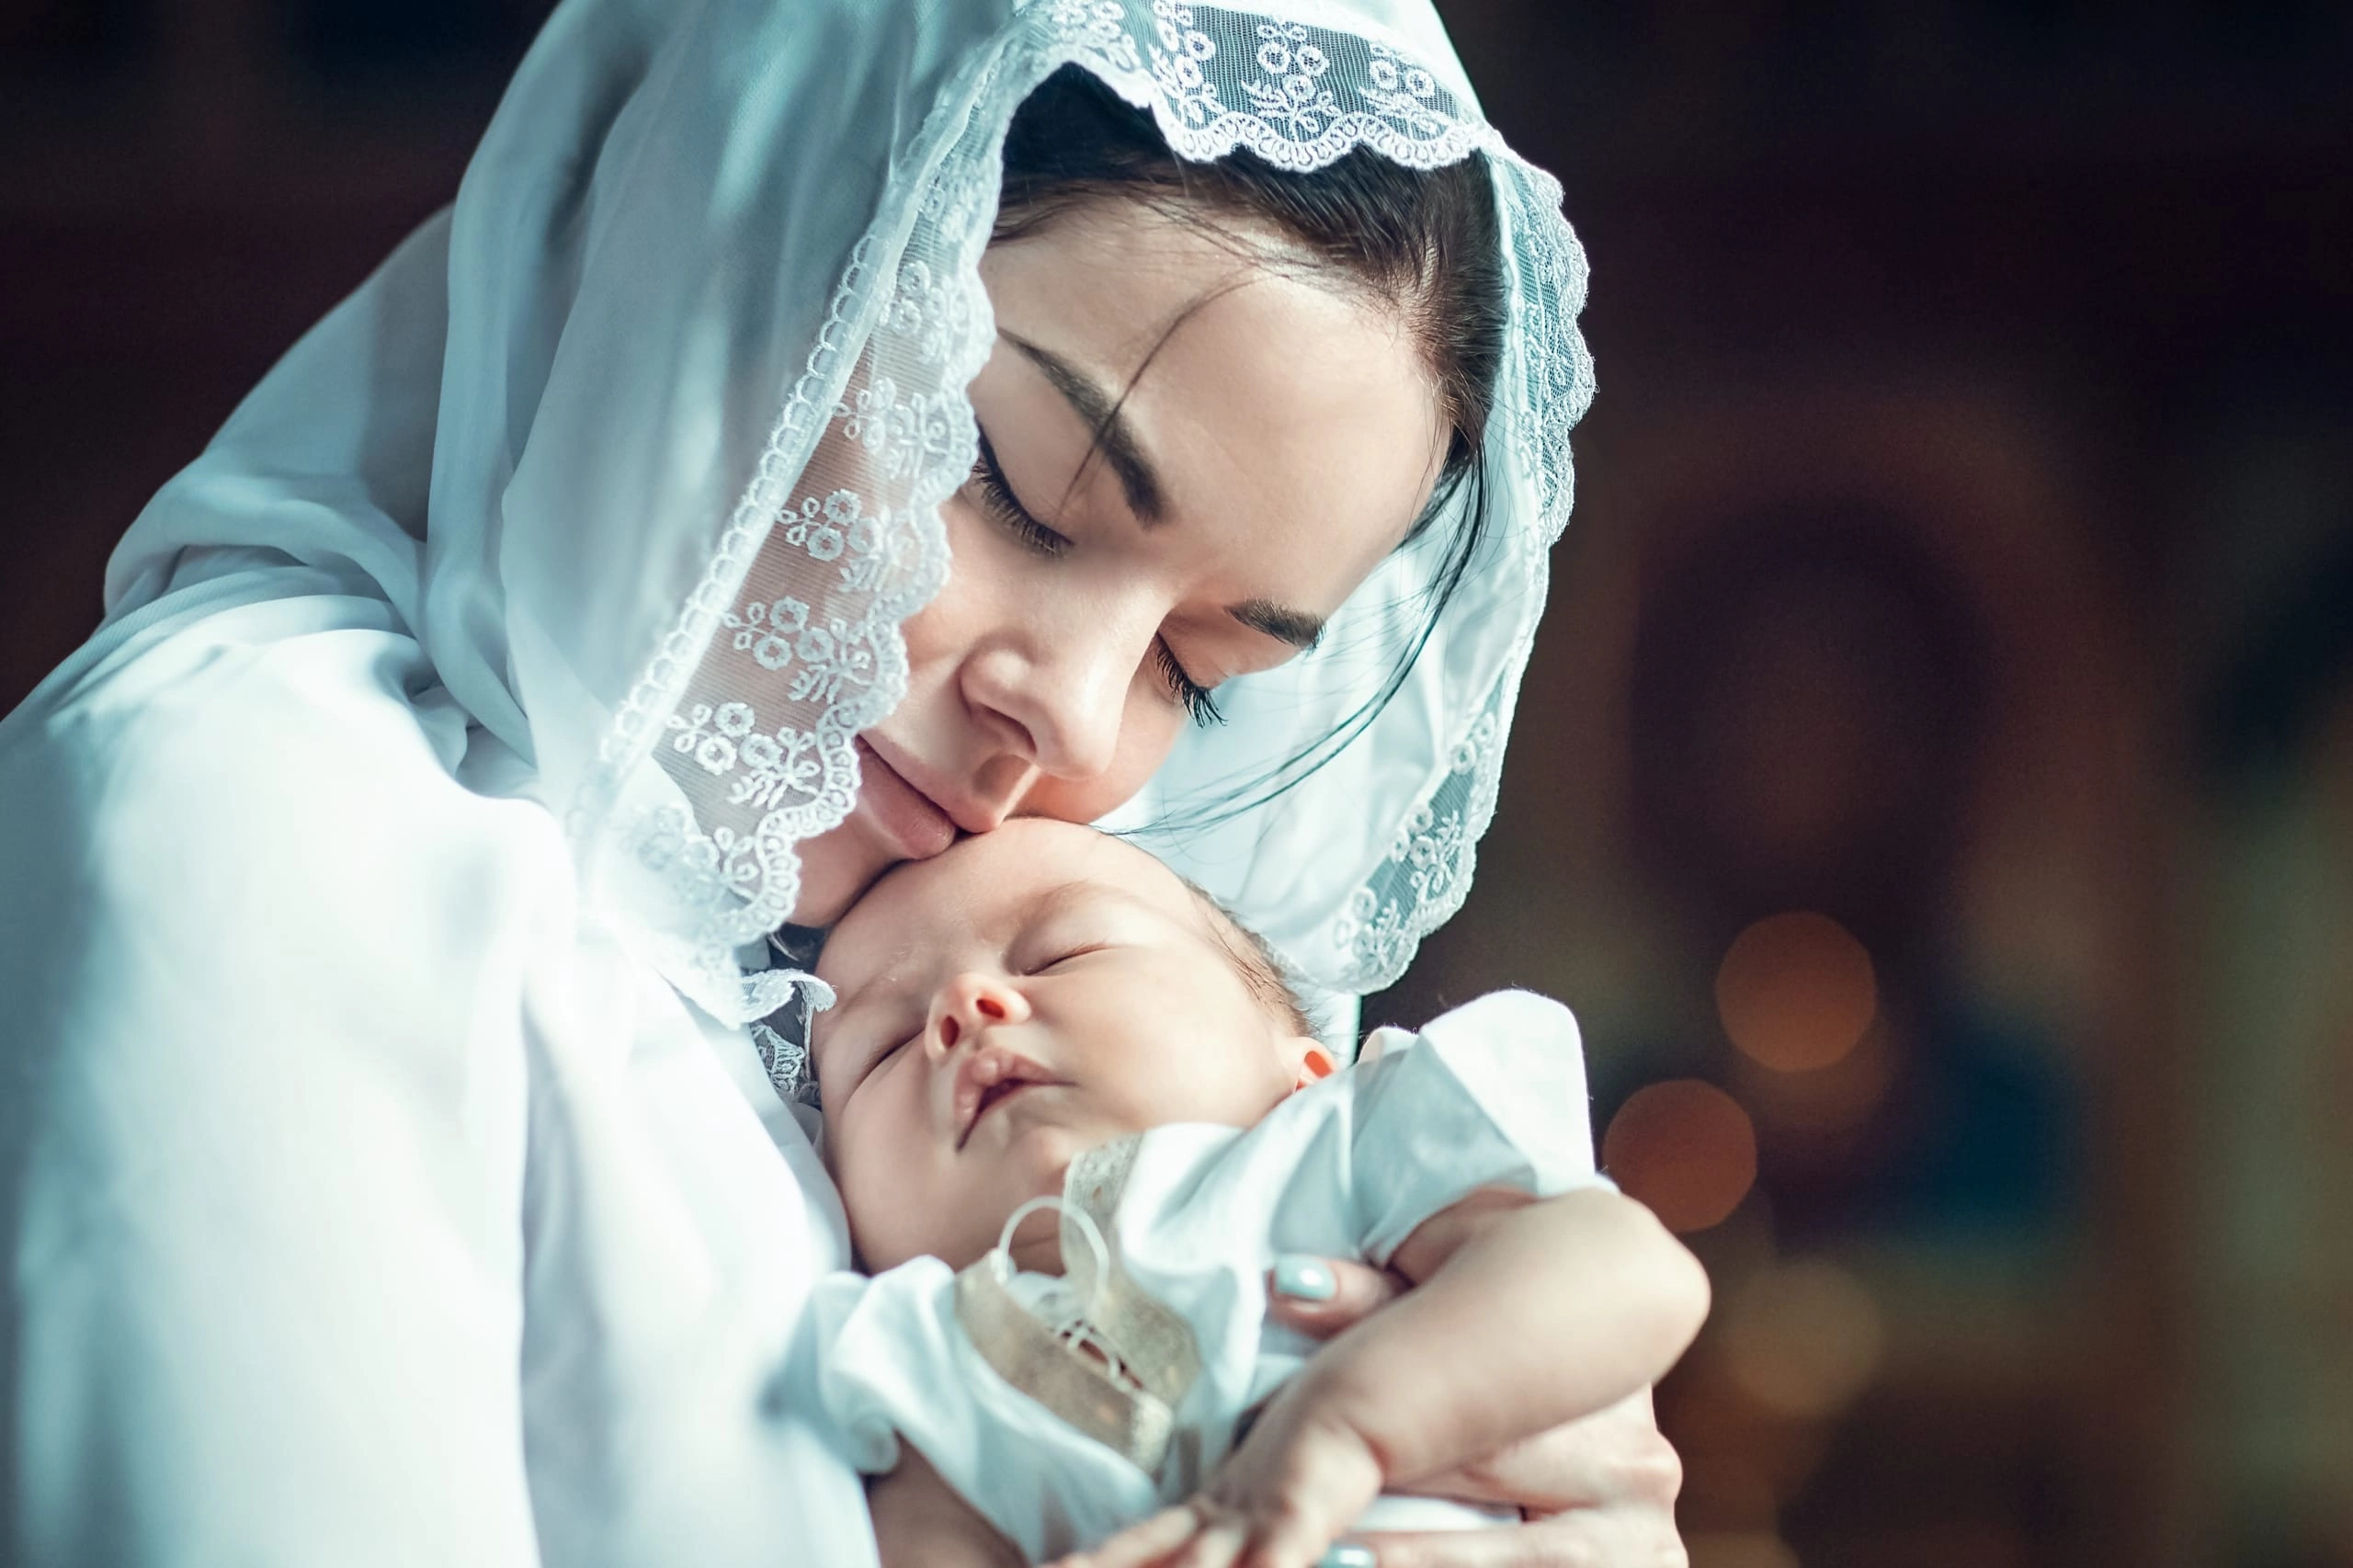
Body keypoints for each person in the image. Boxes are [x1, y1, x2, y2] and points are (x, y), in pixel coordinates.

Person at [0, 2, 1685, 1564]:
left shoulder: (905, 1016)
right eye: (1012, 491)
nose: (1074, 723)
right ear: (732, 249)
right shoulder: (257, 815)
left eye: (1197, 672)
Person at [791, 818, 1708, 1568]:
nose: (962, 1006)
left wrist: (1347, 1423)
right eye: (882, 1046)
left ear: (1304, 1070)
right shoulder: (920, 1351)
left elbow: (1631, 1274)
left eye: (1065, 951)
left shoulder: (1345, 1142)